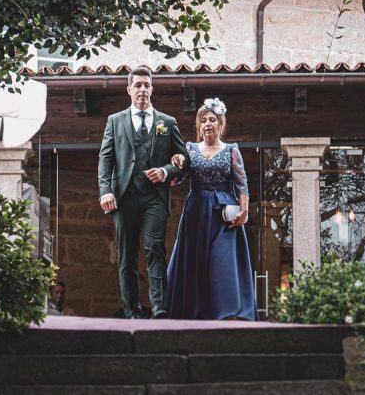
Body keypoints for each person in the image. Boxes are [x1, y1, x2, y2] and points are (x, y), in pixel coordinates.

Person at [97, 66, 188, 318]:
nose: (143, 90)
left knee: (155, 250)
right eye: (138, 85)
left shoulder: (167, 123)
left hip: (155, 198)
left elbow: (184, 162)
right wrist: (106, 191)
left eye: (147, 85)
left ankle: (159, 309)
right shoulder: (114, 121)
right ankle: (132, 311)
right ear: (129, 90)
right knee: (127, 255)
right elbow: (106, 159)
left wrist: (166, 171)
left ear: (152, 89)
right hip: (124, 197)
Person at [165, 97, 257, 320]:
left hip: (224, 215)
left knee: (222, 260)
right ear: (199, 126)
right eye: (203, 120)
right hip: (196, 212)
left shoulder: (231, 150)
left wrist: (244, 211)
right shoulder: (190, 149)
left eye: (212, 119)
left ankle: (228, 312)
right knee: (195, 261)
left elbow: (241, 183)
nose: (208, 123)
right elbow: (178, 178)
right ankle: (196, 311)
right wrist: (174, 165)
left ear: (221, 124)